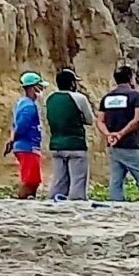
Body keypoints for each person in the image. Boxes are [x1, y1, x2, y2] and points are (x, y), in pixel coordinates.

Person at [99, 64, 139, 205]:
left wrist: (109, 134)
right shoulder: (135, 96)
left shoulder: (107, 98)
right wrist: (121, 134)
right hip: (131, 144)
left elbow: (100, 120)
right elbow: (137, 119)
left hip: (112, 144)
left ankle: (116, 204)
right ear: (131, 78)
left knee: (116, 179)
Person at [43, 67, 99, 203]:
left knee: (58, 180)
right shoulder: (79, 98)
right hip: (75, 144)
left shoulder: (50, 98)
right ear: (72, 83)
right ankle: (76, 204)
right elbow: (90, 120)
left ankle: (54, 203)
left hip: (56, 144)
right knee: (78, 182)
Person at [8, 73, 46, 198]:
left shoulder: (22, 103)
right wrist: (13, 139)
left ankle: (28, 200)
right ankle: (23, 201)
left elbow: (15, 125)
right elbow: (21, 126)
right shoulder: (29, 106)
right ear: (32, 88)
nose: (42, 90)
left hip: (26, 146)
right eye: (40, 87)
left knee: (33, 180)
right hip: (28, 146)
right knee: (30, 181)